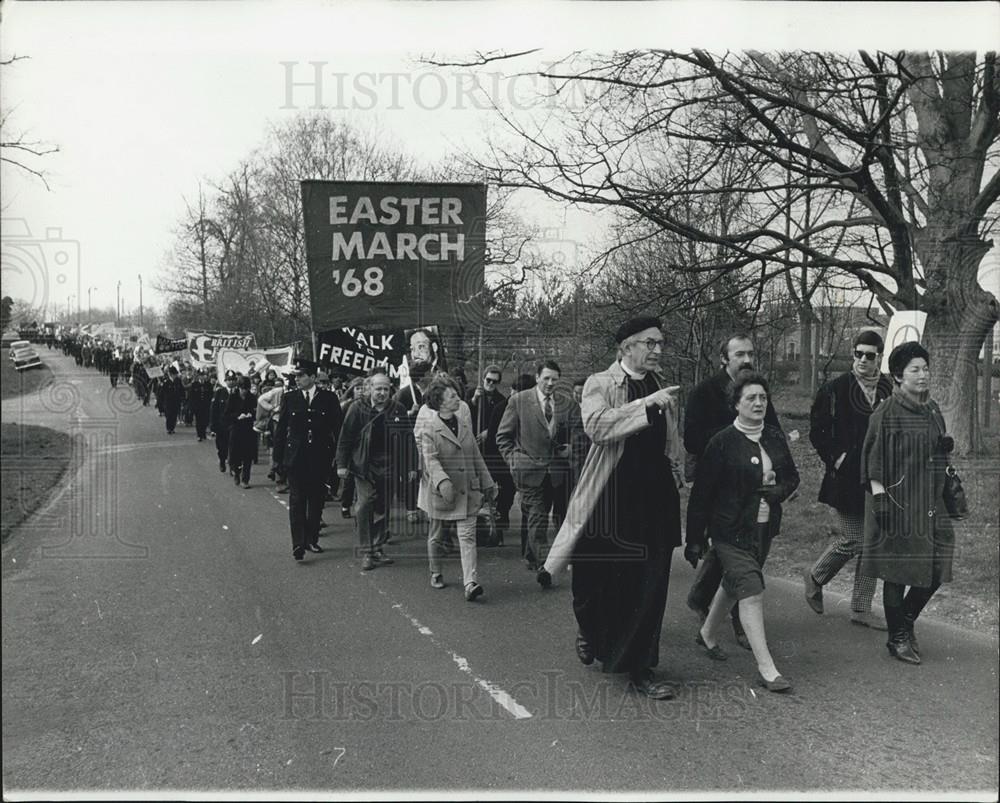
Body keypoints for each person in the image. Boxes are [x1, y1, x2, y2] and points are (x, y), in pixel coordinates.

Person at [540, 316, 684, 700]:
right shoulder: (599, 383)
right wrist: (645, 405)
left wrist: (679, 468)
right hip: (611, 496)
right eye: (650, 343)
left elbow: (671, 438)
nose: (657, 350)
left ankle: (641, 668)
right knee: (591, 579)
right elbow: (598, 427)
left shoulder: (659, 383)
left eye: (660, 344)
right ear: (626, 348)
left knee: (649, 585)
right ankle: (590, 630)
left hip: (654, 497)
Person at [685, 373, 800, 693]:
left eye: (763, 397)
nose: (759, 403)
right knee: (751, 587)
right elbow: (702, 494)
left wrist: (778, 491)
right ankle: (768, 668)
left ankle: (708, 633)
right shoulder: (721, 442)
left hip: (762, 527)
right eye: (751, 398)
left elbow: (793, 478)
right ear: (736, 404)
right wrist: (694, 539)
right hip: (728, 530)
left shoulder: (775, 437)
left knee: (734, 583)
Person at [683, 333, 782, 650]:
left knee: (740, 551)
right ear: (724, 359)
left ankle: (702, 598)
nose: (747, 360)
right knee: (733, 550)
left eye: (751, 353)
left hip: (754, 489)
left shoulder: (757, 390)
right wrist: (735, 437)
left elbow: (774, 429)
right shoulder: (704, 393)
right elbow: (692, 440)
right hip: (719, 488)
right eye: (739, 354)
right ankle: (738, 616)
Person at [860, 341, 955, 665]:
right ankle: (897, 637)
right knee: (896, 570)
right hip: (896, 504)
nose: (923, 375)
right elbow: (873, 461)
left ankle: (906, 621)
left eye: (925, 368)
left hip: (930, 501)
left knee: (940, 561)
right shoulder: (886, 412)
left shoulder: (931, 409)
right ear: (898, 376)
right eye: (915, 369)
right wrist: (880, 499)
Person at [804, 331, 894, 628]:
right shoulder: (836, 388)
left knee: (872, 543)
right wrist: (837, 458)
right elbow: (817, 430)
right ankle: (815, 576)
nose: (863, 360)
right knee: (854, 539)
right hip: (845, 478)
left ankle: (860, 608)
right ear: (852, 354)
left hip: (877, 478)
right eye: (858, 354)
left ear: (879, 356)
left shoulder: (886, 387)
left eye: (870, 355)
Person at [417, 378, 496, 600]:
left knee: (467, 536)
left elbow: (476, 456)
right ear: (440, 402)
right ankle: (436, 571)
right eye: (452, 396)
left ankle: (470, 583)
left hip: (467, 490)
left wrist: (488, 482)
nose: (458, 398)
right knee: (437, 536)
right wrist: (443, 482)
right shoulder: (429, 430)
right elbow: (430, 460)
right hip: (443, 493)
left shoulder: (463, 424)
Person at [496, 360, 571, 570]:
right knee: (538, 515)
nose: (549, 383)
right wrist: (514, 461)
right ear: (537, 377)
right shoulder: (519, 400)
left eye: (554, 379)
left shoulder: (563, 402)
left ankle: (530, 555)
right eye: (546, 378)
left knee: (539, 513)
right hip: (527, 469)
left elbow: (573, 432)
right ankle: (543, 566)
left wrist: (569, 448)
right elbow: (502, 437)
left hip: (554, 471)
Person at [336, 370, 408, 570]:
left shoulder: (398, 409)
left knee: (383, 508)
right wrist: (342, 465)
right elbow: (346, 438)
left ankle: (377, 547)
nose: (382, 393)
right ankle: (367, 551)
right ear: (369, 389)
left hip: (390, 465)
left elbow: (407, 440)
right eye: (378, 389)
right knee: (365, 504)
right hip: (364, 464)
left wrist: (410, 466)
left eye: (386, 389)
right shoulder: (357, 408)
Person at [274, 359, 344, 561]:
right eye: (296, 376)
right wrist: (278, 459)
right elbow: (281, 430)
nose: (297, 379)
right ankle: (298, 543)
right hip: (295, 457)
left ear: (313, 377)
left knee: (316, 500)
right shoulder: (290, 398)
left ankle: (311, 539)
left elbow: (337, 429)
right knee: (296, 500)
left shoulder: (328, 399)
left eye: (301, 375)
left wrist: (339, 457)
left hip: (320, 456)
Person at [470, 365, 515, 533]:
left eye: (495, 382)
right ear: (483, 379)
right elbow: (464, 415)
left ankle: (501, 515)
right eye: (488, 380)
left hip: (494, 451)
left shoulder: (501, 400)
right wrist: (474, 401)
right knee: (478, 488)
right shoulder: (473, 395)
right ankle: (479, 524)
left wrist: (490, 430)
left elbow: (504, 421)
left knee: (506, 486)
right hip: (475, 449)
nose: (491, 384)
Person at [394, 361, 433, 525]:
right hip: (409, 441)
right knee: (413, 473)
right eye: (429, 373)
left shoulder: (434, 393)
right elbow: (394, 419)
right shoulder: (404, 394)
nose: (432, 375)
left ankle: (429, 507)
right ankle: (411, 508)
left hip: (430, 439)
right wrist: (410, 413)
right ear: (423, 376)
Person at [225, 376, 258, 488]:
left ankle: (245, 479)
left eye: (247, 389)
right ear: (239, 388)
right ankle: (236, 472)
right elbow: (227, 414)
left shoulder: (252, 398)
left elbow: (256, 412)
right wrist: (237, 416)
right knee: (235, 454)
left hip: (248, 429)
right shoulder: (232, 397)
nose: (245, 391)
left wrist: (250, 415)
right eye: (243, 388)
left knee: (248, 455)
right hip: (236, 428)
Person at [210, 371, 239, 472]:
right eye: (229, 380)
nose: (231, 382)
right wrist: (213, 427)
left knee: (234, 447)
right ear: (225, 381)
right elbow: (214, 410)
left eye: (233, 380)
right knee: (222, 447)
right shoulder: (219, 392)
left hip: (234, 424)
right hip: (221, 425)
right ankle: (222, 461)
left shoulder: (238, 393)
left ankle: (232, 466)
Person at [189, 369, 214, 442]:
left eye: (203, 375)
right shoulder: (194, 385)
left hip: (206, 406)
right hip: (198, 406)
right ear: (198, 376)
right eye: (200, 375)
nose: (202, 377)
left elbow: (210, 395)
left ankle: (203, 433)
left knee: (205, 420)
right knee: (199, 420)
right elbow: (191, 397)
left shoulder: (208, 384)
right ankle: (199, 435)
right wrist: (192, 407)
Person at [159, 366, 184, 435]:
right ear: (170, 374)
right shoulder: (166, 382)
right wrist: (161, 403)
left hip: (176, 401)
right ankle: (168, 428)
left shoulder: (178, 381)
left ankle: (172, 428)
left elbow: (181, 390)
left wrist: (182, 398)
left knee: (174, 415)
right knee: (169, 415)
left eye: (175, 374)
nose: (174, 376)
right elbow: (162, 393)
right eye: (173, 374)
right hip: (168, 402)